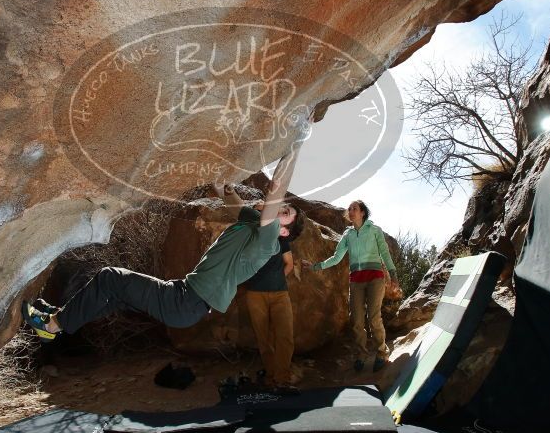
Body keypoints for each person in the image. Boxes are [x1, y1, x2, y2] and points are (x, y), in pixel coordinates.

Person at [21, 150, 305, 342]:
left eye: (284, 214)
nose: (277, 210)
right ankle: (59, 316)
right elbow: (228, 195)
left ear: (282, 231)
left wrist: (294, 147)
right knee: (112, 294)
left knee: (110, 276)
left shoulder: (268, 242)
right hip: (184, 297)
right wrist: (222, 178)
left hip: (185, 303)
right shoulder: (252, 224)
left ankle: (51, 327)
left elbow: (275, 192)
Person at [301, 200, 398, 372]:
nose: (351, 211)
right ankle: (361, 354)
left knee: (374, 317)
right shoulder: (348, 235)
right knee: (356, 320)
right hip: (356, 280)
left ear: (362, 212)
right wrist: (315, 266)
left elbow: (384, 253)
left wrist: (393, 275)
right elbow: (337, 257)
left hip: (375, 277)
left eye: (355, 208)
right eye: (350, 208)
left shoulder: (375, 230)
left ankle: (382, 352)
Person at [242, 198, 298, 393]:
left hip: (280, 293)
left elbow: (289, 264)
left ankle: (282, 378)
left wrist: (276, 277)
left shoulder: (281, 238)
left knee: (285, 336)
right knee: (263, 338)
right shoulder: (250, 236)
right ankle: (271, 377)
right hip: (255, 294)